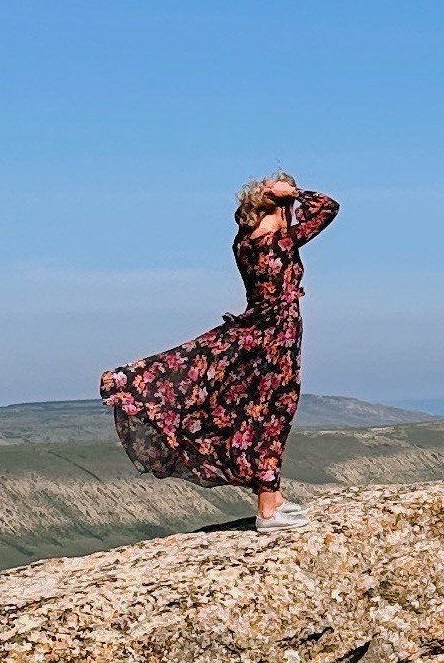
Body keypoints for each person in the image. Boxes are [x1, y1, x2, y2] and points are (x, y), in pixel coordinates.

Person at [100, 173, 339, 528]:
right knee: (273, 415)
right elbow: (328, 208)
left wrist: (270, 194)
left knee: (254, 412)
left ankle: (272, 495)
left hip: (255, 331)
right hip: (277, 337)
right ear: (281, 206)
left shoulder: (243, 242)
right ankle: (267, 510)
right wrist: (293, 192)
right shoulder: (281, 243)